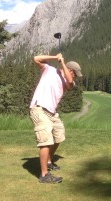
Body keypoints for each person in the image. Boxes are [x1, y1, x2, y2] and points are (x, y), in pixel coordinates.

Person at [29, 53, 82, 184]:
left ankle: (48, 161)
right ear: (71, 70)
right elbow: (36, 59)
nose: (75, 76)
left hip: (52, 112)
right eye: (75, 73)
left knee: (59, 135)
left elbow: (70, 82)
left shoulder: (69, 82)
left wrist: (62, 63)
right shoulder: (49, 70)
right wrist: (55, 58)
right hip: (39, 108)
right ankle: (44, 175)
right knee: (46, 141)